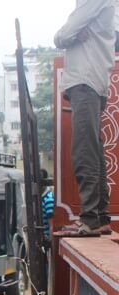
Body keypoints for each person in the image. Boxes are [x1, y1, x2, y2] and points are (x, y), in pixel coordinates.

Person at [54, 0, 115, 236]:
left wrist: (65, 35)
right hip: (93, 82)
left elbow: (62, 36)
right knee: (94, 151)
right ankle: (99, 217)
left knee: (84, 151)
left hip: (85, 81)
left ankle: (90, 218)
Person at [41, 169, 55, 239]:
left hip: (46, 239)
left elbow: (52, 226)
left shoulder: (48, 200)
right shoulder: (41, 197)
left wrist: (49, 244)